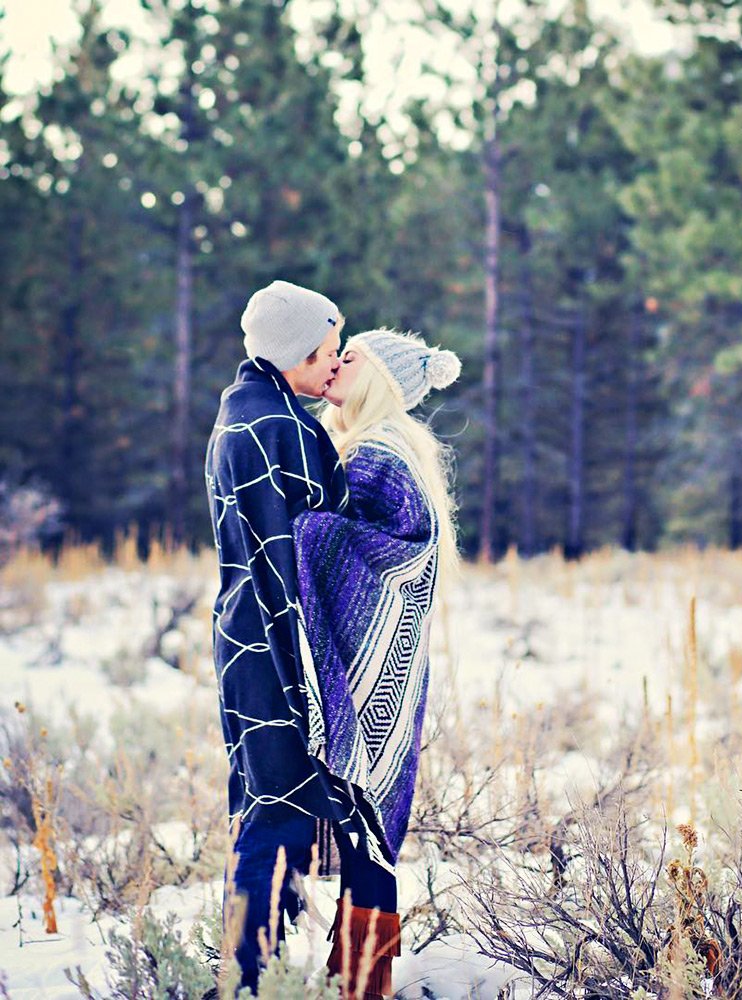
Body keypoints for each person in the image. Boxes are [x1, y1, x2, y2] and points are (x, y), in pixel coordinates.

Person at [205, 281, 396, 994]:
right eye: (326, 352)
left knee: (267, 805)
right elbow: (323, 544)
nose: (335, 364)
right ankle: (253, 980)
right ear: (293, 355)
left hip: (245, 638)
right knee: (280, 815)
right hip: (280, 647)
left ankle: (264, 971)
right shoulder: (283, 427)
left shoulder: (241, 412)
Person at [291, 329, 461, 997]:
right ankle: (359, 979)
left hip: (371, 659)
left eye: (350, 356)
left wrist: (306, 532)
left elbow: (399, 554)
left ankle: (362, 981)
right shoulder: (370, 446)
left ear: (381, 378)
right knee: (366, 817)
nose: (334, 363)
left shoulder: (379, 452)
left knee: (362, 810)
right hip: (378, 663)